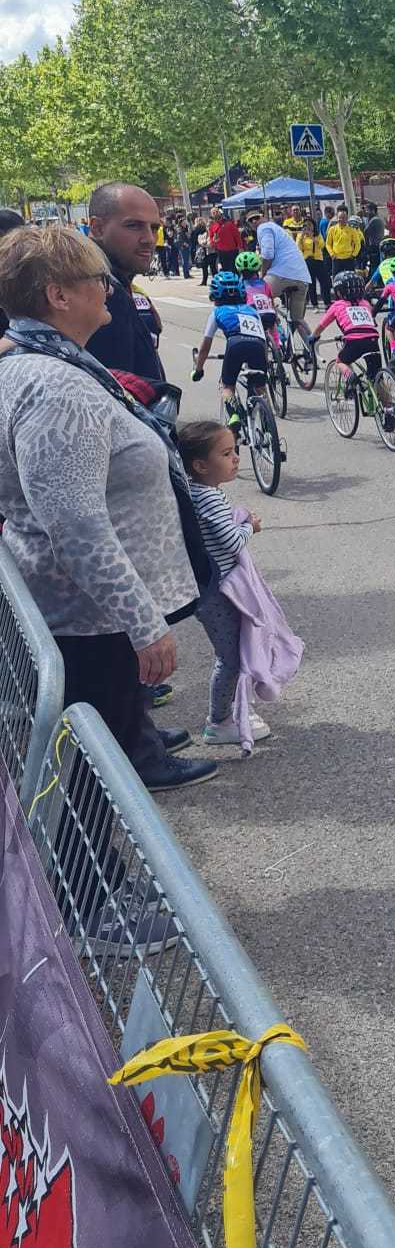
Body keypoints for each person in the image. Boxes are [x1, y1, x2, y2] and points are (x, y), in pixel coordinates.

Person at [0, 226, 218, 812]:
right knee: (91, 783)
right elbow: (76, 526)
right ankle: (100, 900)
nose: (110, 288)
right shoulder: (56, 387)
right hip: (90, 619)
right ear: (57, 295)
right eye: (97, 279)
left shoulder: (44, 361)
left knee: (97, 756)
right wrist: (143, 621)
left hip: (88, 613)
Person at [178, 422, 274, 750]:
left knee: (233, 653)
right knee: (230, 657)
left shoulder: (204, 492)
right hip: (215, 592)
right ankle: (218, 722)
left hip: (214, 588)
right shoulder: (208, 498)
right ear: (200, 466)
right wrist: (250, 526)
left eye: (235, 450)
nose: (236, 458)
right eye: (226, 453)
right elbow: (232, 542)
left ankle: (229, 713)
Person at [86, 183, 167, 383]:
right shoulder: (99, 293)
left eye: (154, 228)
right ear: (97, 228)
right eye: (134, 226)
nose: (149, 239)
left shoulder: (114, 284)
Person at [189, 269, 270, 430]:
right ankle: (268, 426)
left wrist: (199, 369)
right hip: (258, 347)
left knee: (227, 386)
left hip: (235, 345)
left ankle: (233, 415)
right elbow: (263, 339)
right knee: (260, 387)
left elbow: (205, 346)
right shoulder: (252, 311)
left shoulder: (217, 312)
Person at [309, 272, 386, 400]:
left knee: (341, 361)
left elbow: (321, 326)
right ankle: (389, 408)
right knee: (377, 377)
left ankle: (351, 378)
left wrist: (313, 337)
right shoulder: (366, 304)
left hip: (353, 340)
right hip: (372, 339)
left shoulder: (337, 306)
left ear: (339, 292)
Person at [256, 214, 315, 346]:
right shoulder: (278, 229)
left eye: (255, 218)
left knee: (257, 294)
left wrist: (262, 275)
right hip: (302, 277)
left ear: (262, 218)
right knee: (297, 319)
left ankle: (275, 328)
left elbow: (267, 255)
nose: (254, 222)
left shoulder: (264, 228)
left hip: (281, 274)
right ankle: (312, 353)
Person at [298, 214, 330, 308]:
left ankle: (327, 302)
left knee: (324, 282)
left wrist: (313, 238)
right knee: (311, 284)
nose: (308, 227)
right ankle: (314, 304)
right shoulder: (301, 236)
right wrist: (302, 236)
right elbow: (298, 247)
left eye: (309, 224)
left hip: (318, 260)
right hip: (307, 260)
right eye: (306, 225)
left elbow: (322, 245)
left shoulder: (317, 234)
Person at [325, 206, 364, 281]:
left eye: (343, 218)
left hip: (349, 258)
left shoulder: (352, 230)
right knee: (336, 280)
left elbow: (358, 244)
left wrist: (354, 255)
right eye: (340, 217)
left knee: (351, 279)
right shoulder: (332, 229)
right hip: (336, 259)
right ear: (337, 218)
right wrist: (332, 254)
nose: (341, 219)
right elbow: (328, 244)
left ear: (346, 219)